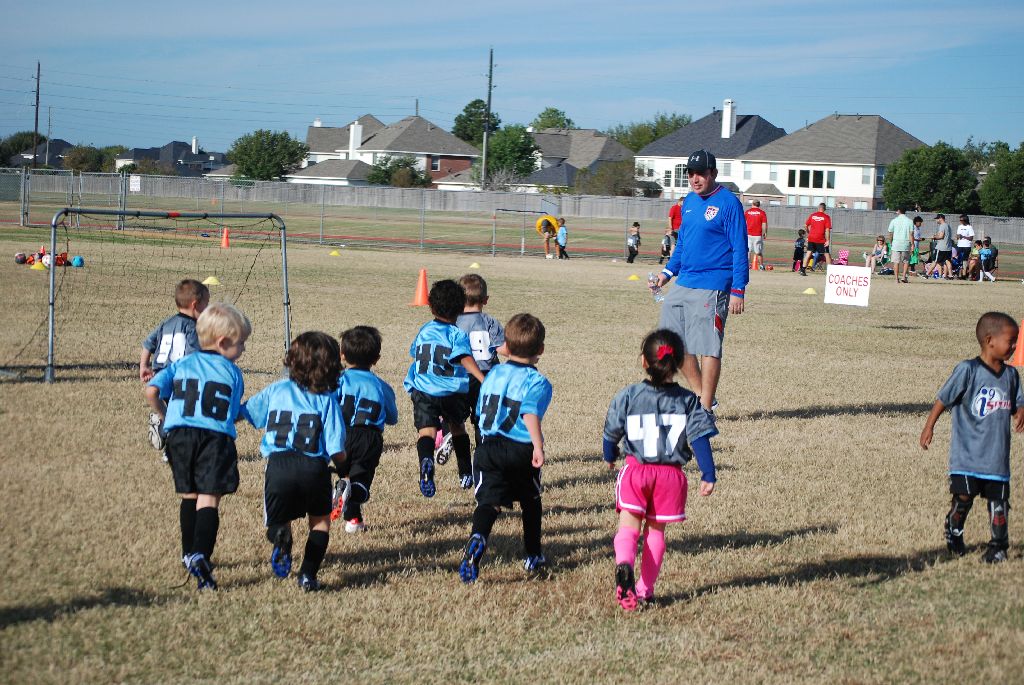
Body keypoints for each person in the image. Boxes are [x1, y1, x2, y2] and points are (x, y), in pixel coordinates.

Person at [603, 329, 717, 610]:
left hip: (636, 472)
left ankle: (624, 564)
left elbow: (611, 431)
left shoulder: (629, 395)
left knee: (629, 527)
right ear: (678, 365)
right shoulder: (689, 400)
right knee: (655, 533)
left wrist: (609, 454)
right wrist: (708, 473)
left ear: (644, 361)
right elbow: (699, 436)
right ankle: (644, 590)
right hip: (670, 477)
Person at [145, 302, 251, 591]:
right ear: (223, 342)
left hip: (179, 437)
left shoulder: (182, 363)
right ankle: (201, 555)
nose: (243, 349)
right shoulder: (233, 373)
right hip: (214, 439)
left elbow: (152, 390)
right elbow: (231, 413)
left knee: (189, 495)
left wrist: (167, 417)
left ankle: (186, 554)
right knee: (208, 499)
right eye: (241, 343)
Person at [241, 331, 347, 591]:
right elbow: (336, 448)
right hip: (315, 468)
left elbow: (246, 412)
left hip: (278, 466)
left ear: (292, 361)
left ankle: (281, 538)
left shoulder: (277, 389)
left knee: (278, 520)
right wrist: (345, 471)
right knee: (320, 523)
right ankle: (308, 575)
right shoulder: (328, 400)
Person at [920, 312, 1024, 563]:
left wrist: (1021, 409)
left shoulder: (1011, 376)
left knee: (999, 503)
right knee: (964, 498)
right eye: (1010, 341)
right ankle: (954, 528)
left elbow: (1017, 401)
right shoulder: (968, 370)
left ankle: (998, 547)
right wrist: (929, 426)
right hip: (967, 457)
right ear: (990, 340)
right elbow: (943, 399)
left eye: (1016, 341)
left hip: (997, 457)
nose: (1014, 346)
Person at [458, 313, 552, 583]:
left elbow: (482, 410)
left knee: (488, 503)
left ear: (506, 347)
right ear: (541, 349)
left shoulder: (493, 373)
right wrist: (538, 446)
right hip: (520, 448)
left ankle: (478, 537)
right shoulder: (538, 382)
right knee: (530, 501)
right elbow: (530, 412)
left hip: (487, 448)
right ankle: (533, 554)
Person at [652, 149, 747, 413]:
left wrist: (738, 289)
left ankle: (705, 410)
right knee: (669, 342)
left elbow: (740, 248)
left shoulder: (729, 203)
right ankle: (702, 395)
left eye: (701, 174)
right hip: (684, 281)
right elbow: (683, 243)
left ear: (713, 173)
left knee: (708, 346)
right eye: (691, 174)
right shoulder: (690, 202)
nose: (695, 179)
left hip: (714, 283)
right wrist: (666, 273)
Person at [404, 279, 485, 498]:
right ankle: (465, 473)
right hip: (451, 391)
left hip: (424, 389)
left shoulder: (424, 330)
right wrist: (481, 378)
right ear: (460, 309)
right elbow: (464, 356)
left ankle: (426, 461)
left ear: (431, 306)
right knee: (457, 428)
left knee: (426, 432)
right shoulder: (456, 334)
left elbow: (415, 352)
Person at [332, 326, 399, 532]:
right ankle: (350, 494)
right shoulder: (382, 386)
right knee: (360, 482)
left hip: (341, 436)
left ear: (342, 355)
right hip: (369, 438)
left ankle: (354, 521)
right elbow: (392, 418)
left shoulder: (338, 380)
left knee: (347, 477)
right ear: (376, 359)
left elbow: (328, 405)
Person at [140, 279, 210, 455]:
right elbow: (194, 357)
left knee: (174, 413)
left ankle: (162, 425)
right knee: (184, 415)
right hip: (178, 377)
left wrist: (144, 366)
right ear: (195, 305)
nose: (207, 309)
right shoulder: (193, 328)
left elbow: (148, 344)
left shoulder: (166, 323)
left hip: (160, 375)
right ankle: (172, 448)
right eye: (206, 304)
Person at [456, 273, 505, 455]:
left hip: (460, 375)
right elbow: (503, 349)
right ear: (485, 300)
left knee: (456, 418)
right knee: (482, 419)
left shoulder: (454, 321)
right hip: (486, 376)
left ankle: (450, 435)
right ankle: (482, 451)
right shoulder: (489, 322)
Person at [801, 203, 832, 275]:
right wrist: (827, 240)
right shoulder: (826, 217)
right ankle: (830, 272)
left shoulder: (812, 215)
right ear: (825, 209)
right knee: (826, 254)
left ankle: (802, 270)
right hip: (820, 239)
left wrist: (809, 233)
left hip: (811, 238)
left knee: (808, 253)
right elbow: (827, 230)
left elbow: (805, 225)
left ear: (818, 208)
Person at [887, 208, 914, 284]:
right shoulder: (910, 221)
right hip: (906, 243)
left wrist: (891, 241)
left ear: (899, 211)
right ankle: (904, 277)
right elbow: (911, 234)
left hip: (896, 243)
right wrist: (912, 244)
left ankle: (896, 279)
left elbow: (890, 233)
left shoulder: (894, 221)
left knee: (896, 262)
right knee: (906, 261)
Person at [925, 214, 954, 280]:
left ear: (940, 218)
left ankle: (927, 274)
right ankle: (950, 275)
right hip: (948, 247)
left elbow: (941, 236)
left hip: (941, 247)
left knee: (935, 261)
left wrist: (934, 237)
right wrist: (936, 235)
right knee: (948, 261)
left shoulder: (942, 226)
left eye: (937, 219)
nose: (936, 220)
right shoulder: (948, 226)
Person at [744, 200, 768, 271]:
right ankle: (761, 266)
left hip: (748, 234)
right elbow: (764, 224)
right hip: (757, 235)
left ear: (752, 204)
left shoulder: (747, 212)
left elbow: (743, 222)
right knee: (758, 252)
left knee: (748, 250)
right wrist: (765, 232)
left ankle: (746, 266)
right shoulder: (762, 213)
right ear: (759, 205)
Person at [955, 214, 975, 279]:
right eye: (960, 220)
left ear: (965, 220)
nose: (960, 221)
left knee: (964, 260)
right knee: (959, 260)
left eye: (961, 220)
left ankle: (964, 274)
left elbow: (971, 238)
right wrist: (958, 236)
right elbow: (957, 236)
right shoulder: (959, 226)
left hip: (966, 246)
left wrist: (963, 236)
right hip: (959, 245)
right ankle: (959, 274)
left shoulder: (969, 227)